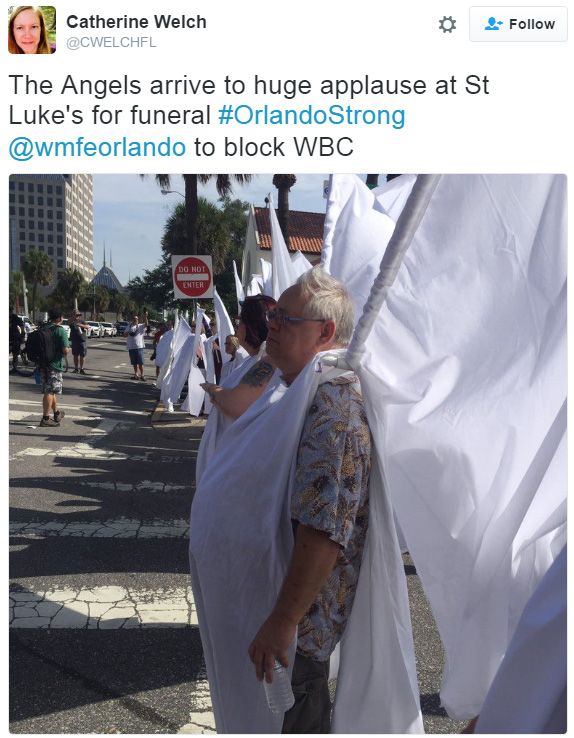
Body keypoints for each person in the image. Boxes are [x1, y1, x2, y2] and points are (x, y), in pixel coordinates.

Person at [190, 269, 370, 733]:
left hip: (296, 631)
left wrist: (283, 620)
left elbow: (323, 529)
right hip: (266, 607)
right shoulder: (294, 387)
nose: (271, 324)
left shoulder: (335, 405)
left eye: (285, 318)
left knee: (290, 719)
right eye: (272, 315)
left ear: (325, 333)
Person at [37, 307, 70, 428]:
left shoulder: (43, 328)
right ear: (61, 318)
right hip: (54, 365)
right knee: (50, 391)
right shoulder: (60, 330)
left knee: (50, 389)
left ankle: (56, 413)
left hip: (42, 364)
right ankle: (45, 418)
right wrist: (68, 349)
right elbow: (66, 350)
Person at [124, 311, 149, 380]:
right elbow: (124, 336)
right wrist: (129, 331)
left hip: (139, 347)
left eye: (136, 319)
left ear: (138, 320)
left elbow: (146, 324)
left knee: (141, 362)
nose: (135, 320)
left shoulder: (141, 326)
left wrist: (146, 316)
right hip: (131, 347)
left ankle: (143, 375)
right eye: (134, 319)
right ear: (132, 320)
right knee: (134, 363)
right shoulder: (128, 326)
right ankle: (136, 374)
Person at [9, 309, 25, 374]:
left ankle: (14, 367)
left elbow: (21, 324)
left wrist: (23, 332)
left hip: (14, 337)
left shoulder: (14, 317)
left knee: (15, 353)